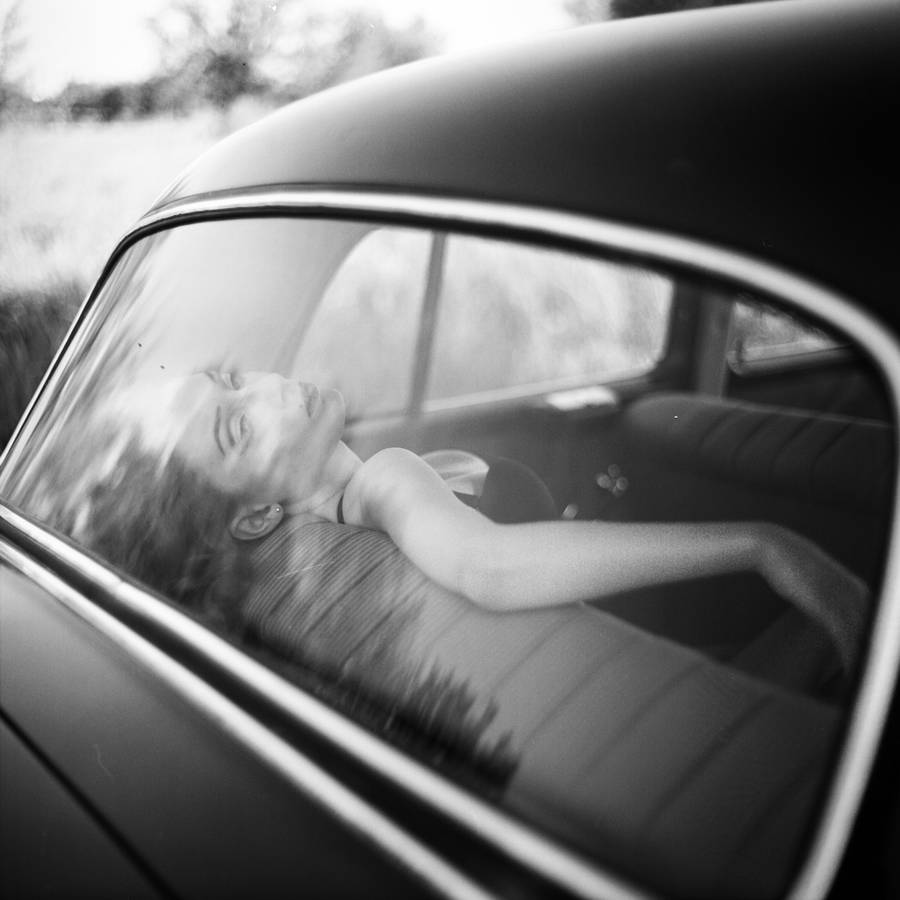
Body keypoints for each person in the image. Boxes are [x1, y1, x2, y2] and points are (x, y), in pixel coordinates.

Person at [102, 367, 868, 671]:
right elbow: (488, 567)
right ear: (258, 513)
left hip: (662, 652)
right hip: (682, 655)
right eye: (238, 426)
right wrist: (765, 547)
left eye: (233, 378)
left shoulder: (357, 507)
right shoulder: (384, 485)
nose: (267, 390)